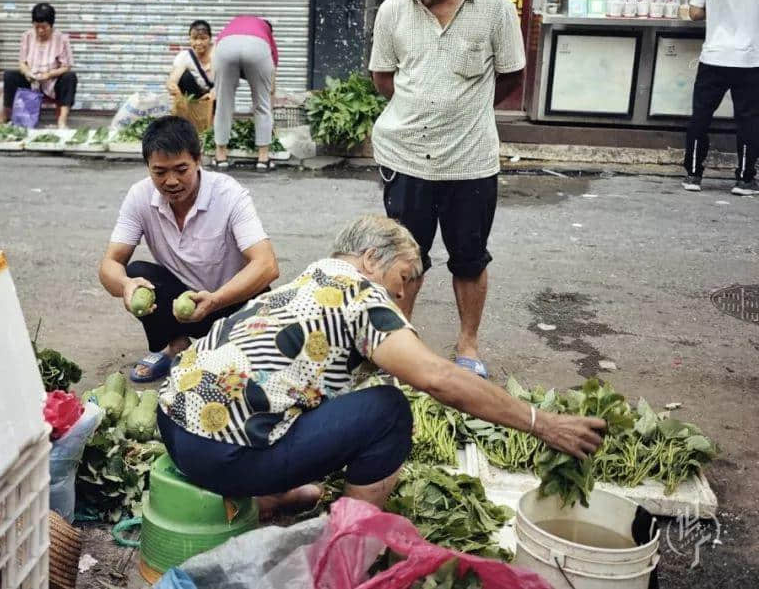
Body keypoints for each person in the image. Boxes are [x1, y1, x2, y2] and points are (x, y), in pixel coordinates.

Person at [156, 215, 606, 512]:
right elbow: (437, 378)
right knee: (388, 412)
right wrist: (541, 423)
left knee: (300, 392)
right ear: (371, 259)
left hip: (175, 429)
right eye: (404, 279)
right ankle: (348, 542)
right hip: (221, 455)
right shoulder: (362, 295)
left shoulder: (313, 278)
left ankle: (271, 497)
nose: (402, 294)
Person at [369, 0, 526, 379]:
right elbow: (383, 78)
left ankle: (468, 343)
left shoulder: (495, 6)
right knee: (403, 257)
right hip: (406, 157)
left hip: (470, 161)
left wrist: (462, 111)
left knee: (470, 257)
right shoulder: (394, 9)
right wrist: (422, 112)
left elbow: (511, 74)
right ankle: (400, 342)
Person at [99, 116, 280, 383]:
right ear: (148, 167)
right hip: (184, 306)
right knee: (137, 273)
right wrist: (125, 285)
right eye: (159, 172)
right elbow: (109, 264)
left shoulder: (229, 194)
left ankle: (218, 350)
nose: (171, 181)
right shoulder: (139, 196)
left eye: (181, 169)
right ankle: (176, 347)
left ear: (198, 160)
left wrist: (216, 299)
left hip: (235, 302)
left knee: (240, 373)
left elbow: (267, 266)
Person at [683, 0, 759, 197]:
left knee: (700, 116)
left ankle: (693, 174)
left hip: (714, 55)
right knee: (749, 118)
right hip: (751, 58)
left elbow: (694, 13)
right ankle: (744, 179)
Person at [212, 16, 279, 171]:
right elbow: (272, 75)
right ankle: (263, 159)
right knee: (262, 105)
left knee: (223, 105)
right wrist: (269, 94)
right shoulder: (266, 33)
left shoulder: (231, 25)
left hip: (226, 48)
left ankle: (220, 157)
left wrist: (217, 87)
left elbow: (215, 54)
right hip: (257, 49)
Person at [2, 3, 77, 129]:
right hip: (31, 80)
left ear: (51, 25)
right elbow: (22, 62)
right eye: (37, 27)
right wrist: (27, 73)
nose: (40, 31)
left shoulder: (61, 38)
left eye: (44, 27)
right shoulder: (27, 36)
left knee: (70, 77)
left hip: (51, 82)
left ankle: (62, 121)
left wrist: (49, 74)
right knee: (9, 76)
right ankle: (8, 118)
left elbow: (66, 66)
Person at [166, 20, 215, 101]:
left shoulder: (218, 56)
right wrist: (172, 86)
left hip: (215, 100)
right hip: (194, 102)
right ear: (190, 39)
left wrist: (212, 94)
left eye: (203, 38)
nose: (198, 43)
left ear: (210, 39)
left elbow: (226, 83)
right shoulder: (184, 56)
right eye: (194, 38)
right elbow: (173, 79)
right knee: (185, 76)